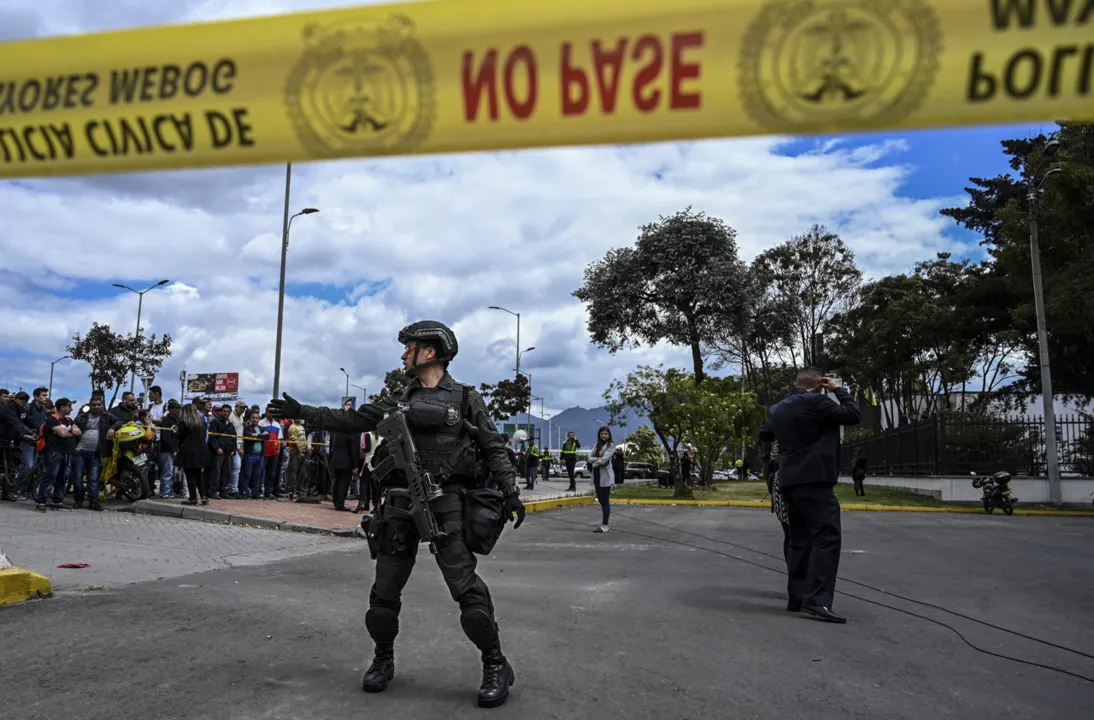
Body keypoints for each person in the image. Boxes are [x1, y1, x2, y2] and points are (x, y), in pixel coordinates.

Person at [268, 320, 526, 707]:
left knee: (466, 589)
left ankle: (495, 664)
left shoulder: (466, 399)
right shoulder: (398, 399)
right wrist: (302, 411)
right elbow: (351, 421)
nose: (404, 354)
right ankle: (382, 659)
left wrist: (510, 491)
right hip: (399, 503)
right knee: (384, 592)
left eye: (410, 347)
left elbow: (492, 446)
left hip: (447, 503)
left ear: (431, 352)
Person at [760, 367, 861, 624]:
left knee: (799, 540)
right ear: (819, 384)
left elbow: (767, 433)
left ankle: (797, 597)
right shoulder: (818, 401)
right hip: (815, 479)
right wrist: (838, 389)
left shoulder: (777, 409)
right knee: (826, 538)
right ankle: (817, 601)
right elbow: (853, 415)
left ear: (796, 383)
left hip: (789, 480)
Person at [176, 403, 211, 505]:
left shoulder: (184, 423)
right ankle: (204, 496)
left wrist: (175, 433)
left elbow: (180, 437)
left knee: (190, 474)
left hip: (189, 451)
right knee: (199, 474)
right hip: (202, 449)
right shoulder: (202, 422)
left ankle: (193, 498)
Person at [588, 426, 615, 533]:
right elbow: (588, 458)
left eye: (605, 434)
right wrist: (597, 461)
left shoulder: (611, 445)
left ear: (609, 435)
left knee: (605, 501)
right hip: (597, 475)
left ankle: (605, 524)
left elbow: (604, 460)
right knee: (600, 500)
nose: (603, 435)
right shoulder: (596, 445)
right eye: (602, 433)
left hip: (605, 476)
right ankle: (604, 523)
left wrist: (594, 462)